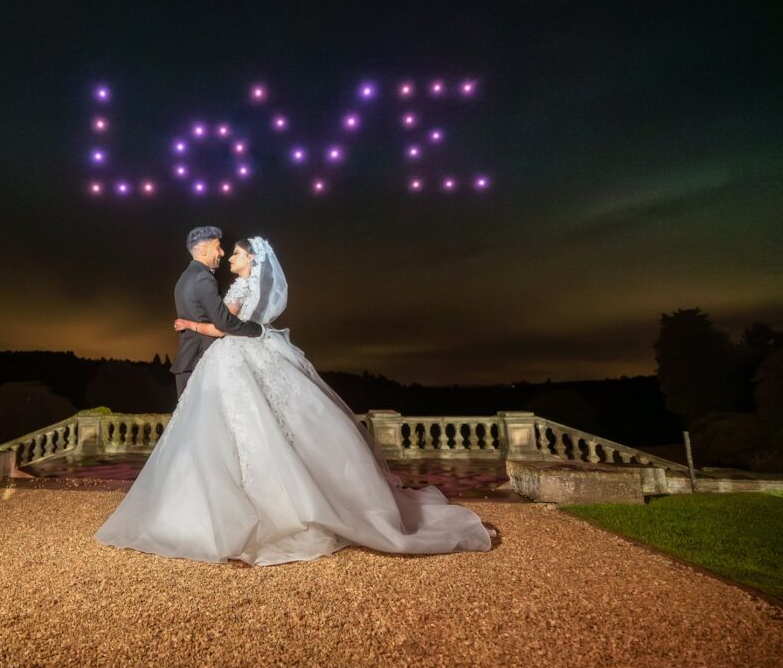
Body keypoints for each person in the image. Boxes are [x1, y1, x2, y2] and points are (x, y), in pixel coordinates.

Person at [95, 236, 493, 565]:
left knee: (245, 427)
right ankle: (269, 502)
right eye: (226, 250)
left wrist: (192, 324)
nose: (228, 257)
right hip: (244, 354)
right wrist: (215, 326)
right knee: (255, 425)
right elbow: (232, 325)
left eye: (235, 252)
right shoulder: (243, 285)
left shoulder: (241, 287)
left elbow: (224, 327)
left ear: (251, 259)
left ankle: (255, 507)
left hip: (236, 354)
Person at [170, 226, 264, 397]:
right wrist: (257, 329)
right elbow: (223, 322)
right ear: (203, 249)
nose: (222, 253)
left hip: (188, 360)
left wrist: (191, 324)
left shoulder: (184, 278)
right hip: (201, 361)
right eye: (218, 247)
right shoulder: (203, 277)